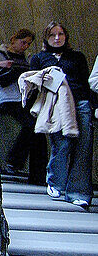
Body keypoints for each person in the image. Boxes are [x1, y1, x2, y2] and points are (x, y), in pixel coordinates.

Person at [29, 22, 92, 209]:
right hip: (57, 106)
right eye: (52, 35)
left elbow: (85, 82)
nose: (57, 38)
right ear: (46, 38)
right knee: (62, 144)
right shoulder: (39, 58)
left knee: (83, 147)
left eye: (61, 34)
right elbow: (31, 83)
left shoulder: (77, 57)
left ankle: (78, 192)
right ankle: (56, 180)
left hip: (80, 102)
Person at [0, 29, 40, 181]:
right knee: (30, 125)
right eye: (23, 42)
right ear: (14, 40)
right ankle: (13, 162)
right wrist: (1, 65)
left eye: (28, 44)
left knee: (34, 127)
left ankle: (19, 164)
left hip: (22, 98)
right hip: (5, 98)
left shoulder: (27, 58)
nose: (25, 46)